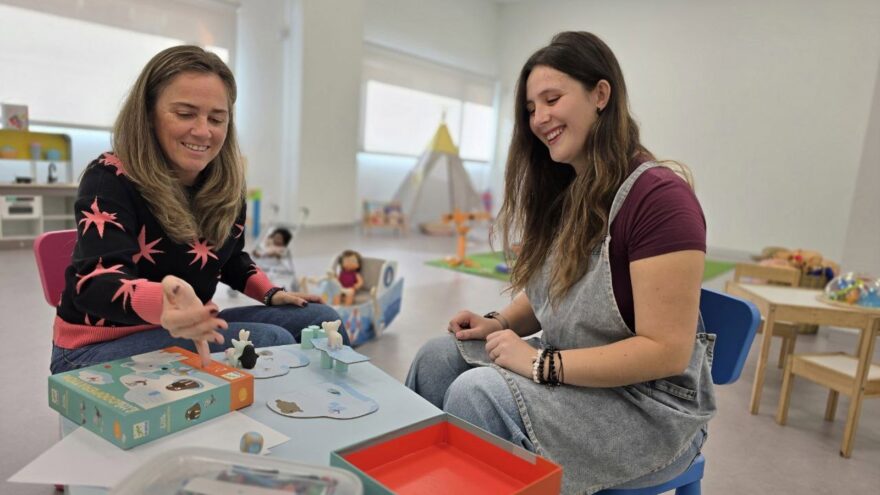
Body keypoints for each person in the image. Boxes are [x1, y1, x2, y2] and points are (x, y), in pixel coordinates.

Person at [406, 32, 713, 494]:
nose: (539, 118)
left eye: (552, 99)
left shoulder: (661, 200)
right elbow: (560, 287)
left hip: (652, 411)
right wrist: (498, 321)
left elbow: (666, 351)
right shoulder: (574, 191)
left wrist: (540, 364)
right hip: (584, 380)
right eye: (531, 108)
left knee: (477, 395)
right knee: (436, 359)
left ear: (600, 95)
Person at [50, 46, 346, 375]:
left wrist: (270, 292)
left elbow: (231, 257)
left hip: (187, 328)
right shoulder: (109, 179)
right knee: (270, 339)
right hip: (95, 348)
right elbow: (96, 282)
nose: (203, 131)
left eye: (216, 118)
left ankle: (332, 413)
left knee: (321, 320)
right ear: (148, 113)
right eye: (185, 113)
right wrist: (165, 301)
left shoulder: (225, 184)